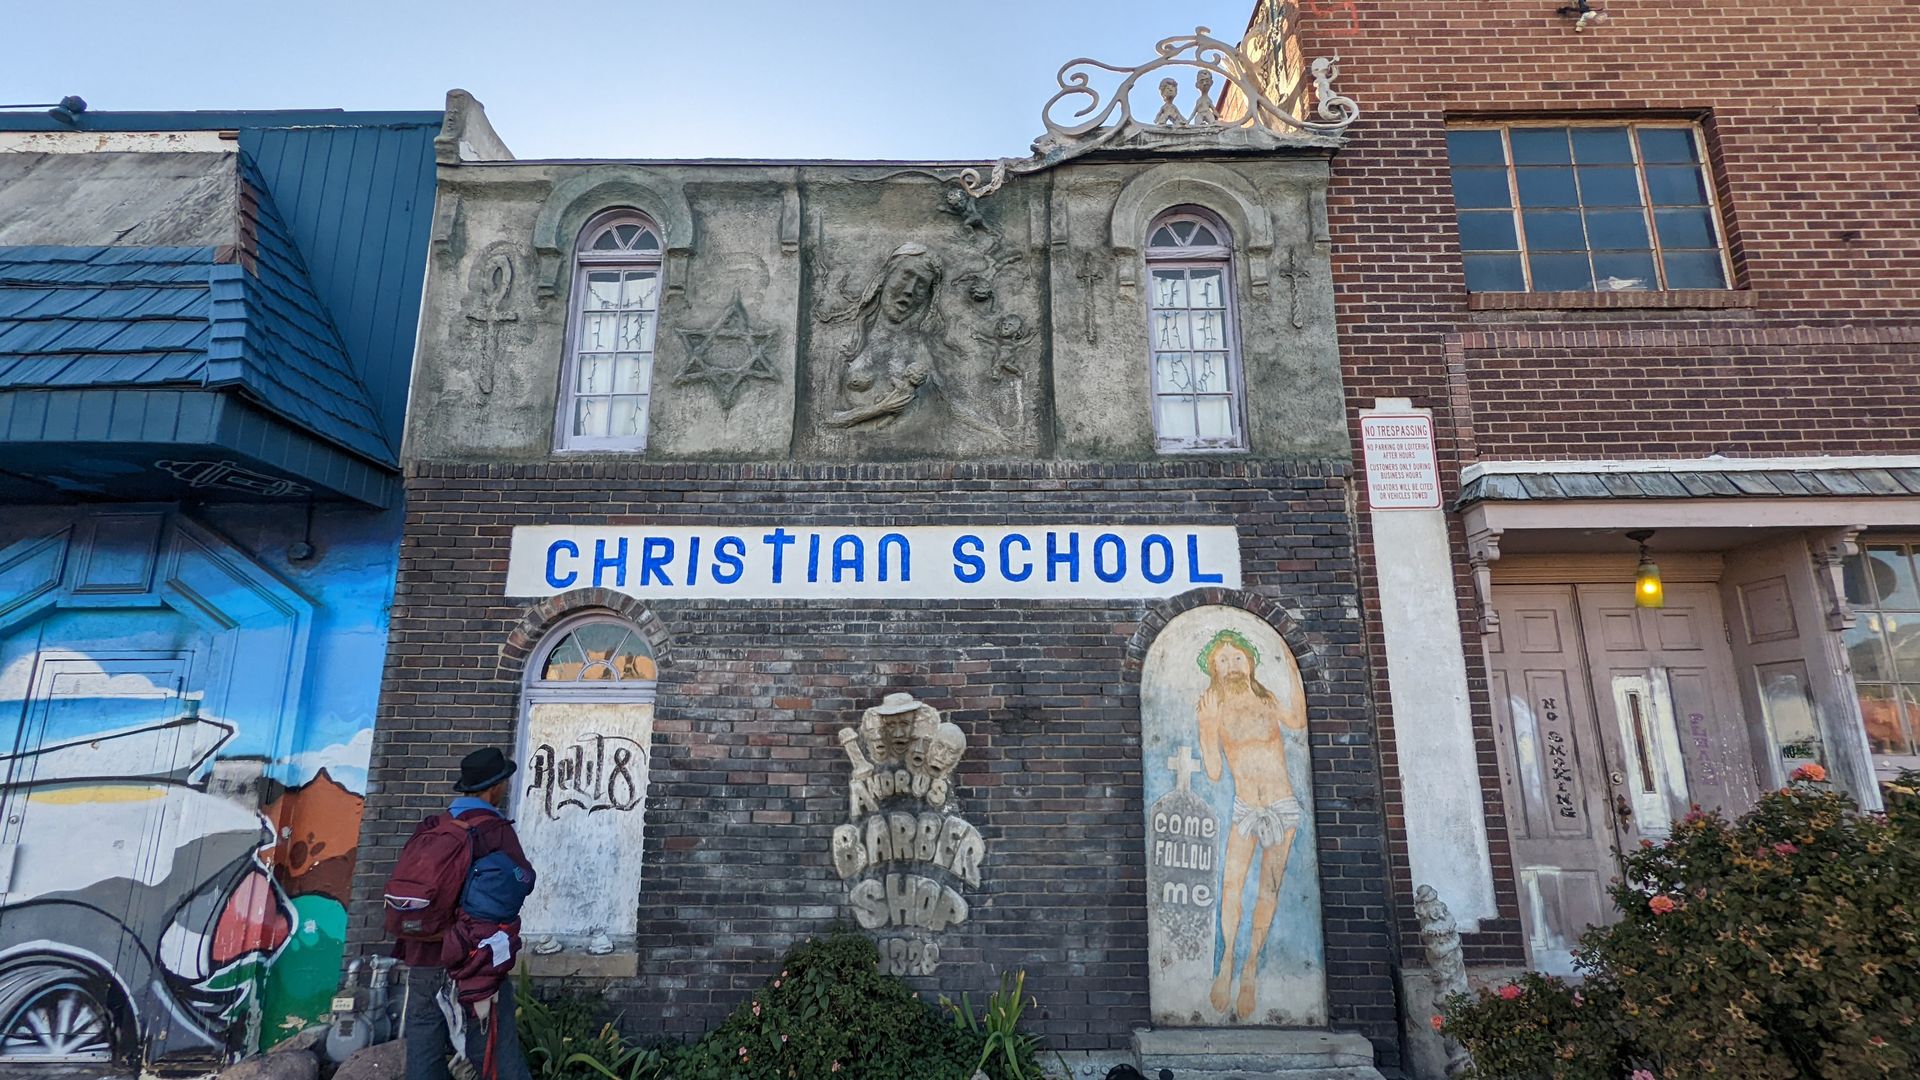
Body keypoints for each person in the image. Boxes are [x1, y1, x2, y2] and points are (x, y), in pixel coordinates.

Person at [400, 748, 536, 1080]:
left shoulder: (435, 826)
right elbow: (523, 879)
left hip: (423, 954)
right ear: (496, 786)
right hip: (472, 957)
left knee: (424, 1051)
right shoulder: (493, 830)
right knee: (493, 1048)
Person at [1195, 630, 1308, 1021]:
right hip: (1246, 808)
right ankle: (1226, 961)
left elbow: (1297, 721)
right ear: (1214, 669)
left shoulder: (1267, 700)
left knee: (1268, 891)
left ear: (1250, 662)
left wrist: (1294, 668)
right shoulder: (1213, 709)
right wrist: (1207, 727)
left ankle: (1251, 968)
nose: (1231, 666)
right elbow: (1212, 772)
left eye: (1237, 657)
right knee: (1231, 886)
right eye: (1222, 660)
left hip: (1282, 808)